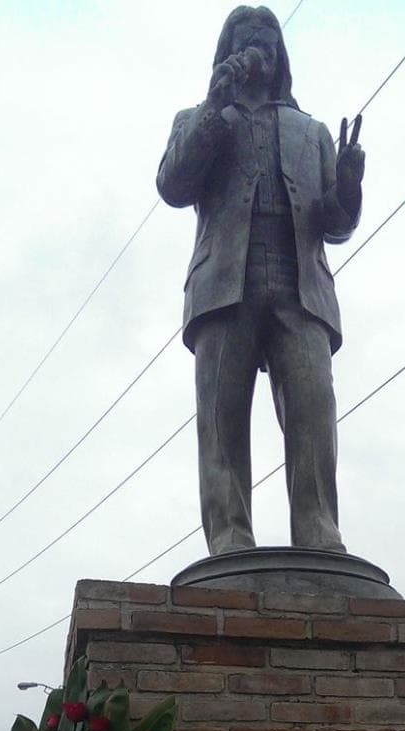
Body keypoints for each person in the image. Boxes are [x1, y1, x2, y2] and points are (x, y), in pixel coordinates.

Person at [156, 5, 365, 555]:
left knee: (314, 409)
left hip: (301, 288)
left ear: (281, 56)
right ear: (228, 51)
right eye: (248, 39)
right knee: (221, 421)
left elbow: (335, 223)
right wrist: (213, 106)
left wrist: (347, 188)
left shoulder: (311, 131)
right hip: (224, 286)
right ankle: (230, 539)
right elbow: (174, 185)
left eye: (269, 40)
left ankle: (319, 532)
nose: (260, 49)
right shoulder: (199, 119)